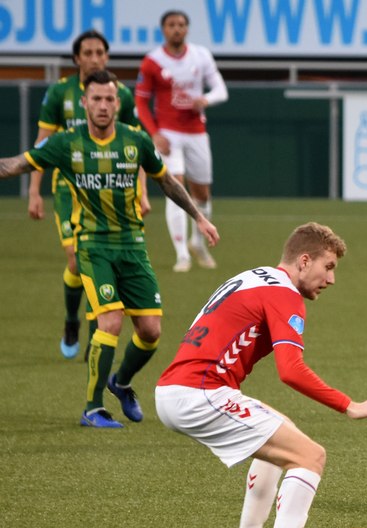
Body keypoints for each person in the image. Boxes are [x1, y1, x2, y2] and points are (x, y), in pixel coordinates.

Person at [155, 222, 367, 528]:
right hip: (198, 394)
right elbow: (291, 371)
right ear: (303, 260)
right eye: (327, 267)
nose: (331, 279)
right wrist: (350, 406)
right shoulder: (286, 295)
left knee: (281, 430)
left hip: (181, 389)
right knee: (310, 456)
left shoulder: (255, 276)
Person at [1, 69, 219, 428]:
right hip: (93, 246)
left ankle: (121, 382)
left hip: (133, 246)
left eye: (109, 99)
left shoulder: (135, 141)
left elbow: (166, 180)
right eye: (96, 99)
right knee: (111, 321)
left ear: (118, 104)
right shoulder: (66, 143)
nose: (103, 105)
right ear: (84, 103)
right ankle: (93, 406)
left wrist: (199, 217)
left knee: (150, 332)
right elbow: (17, 165)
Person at [28, 29, 148, 359]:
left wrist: (142, 192)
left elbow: (137, 148)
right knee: (74, 258)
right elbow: (41, 143)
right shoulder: (59, 93)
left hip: (110, 190)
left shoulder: (119, 93)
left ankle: (98, 330)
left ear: (107, 57)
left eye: (100, 52)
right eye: (88, 52)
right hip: (69, 189)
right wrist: (34, 190)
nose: (94, 58)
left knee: (99, 257)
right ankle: (71, 320)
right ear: (77, 58)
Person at [135, 9, 228, 273]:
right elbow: (141, 100)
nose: (176, 29)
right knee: (174, 185)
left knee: (202, 194)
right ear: (163, 29)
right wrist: (154, 132)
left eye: (181, 24)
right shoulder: (152, 61)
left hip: (197, 132)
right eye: (171, 24)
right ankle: (181, 255)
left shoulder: (201, 56)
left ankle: (197, 242)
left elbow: (221, 89)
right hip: (168, 133)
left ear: (187, 29)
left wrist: (206, 100)